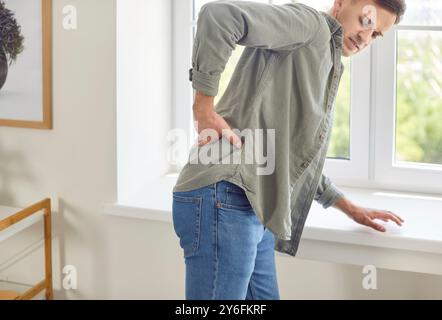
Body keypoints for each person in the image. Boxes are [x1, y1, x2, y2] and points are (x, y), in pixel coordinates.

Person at [172, 0, 406, 300]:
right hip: (227, 193)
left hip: (254, 205)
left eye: (375, 36)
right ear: (341, 3)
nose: (365, 37)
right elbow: (219, 15)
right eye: (366, 22)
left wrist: (349, 208)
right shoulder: (309, 26)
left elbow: (292, 156)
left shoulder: (325, 58)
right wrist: (203, 108)